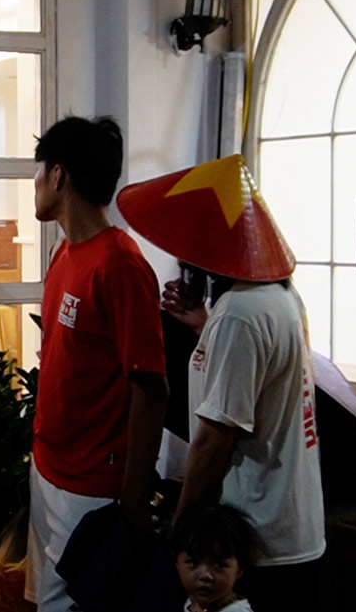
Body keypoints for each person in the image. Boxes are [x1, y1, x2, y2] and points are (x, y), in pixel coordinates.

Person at [117, 153, 325, 612]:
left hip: (252, 538)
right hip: (293, 525)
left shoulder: (240, 315)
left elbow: (215, 440)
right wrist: (202, 325)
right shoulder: (278, 296)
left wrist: (183, 530)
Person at [26, 116, 169, 612]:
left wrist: (133, 497)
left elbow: (151, 386)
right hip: (50, 466)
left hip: (93, 484)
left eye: (39, 171)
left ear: (59, 176)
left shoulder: (121, 266)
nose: (36, 184)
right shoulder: (64, 251)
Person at [172, 504, 257, 612]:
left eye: (220, 565)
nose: (205, 576)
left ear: (240, 568)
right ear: (177, 563)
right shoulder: (193, 603)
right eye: (193, 563)